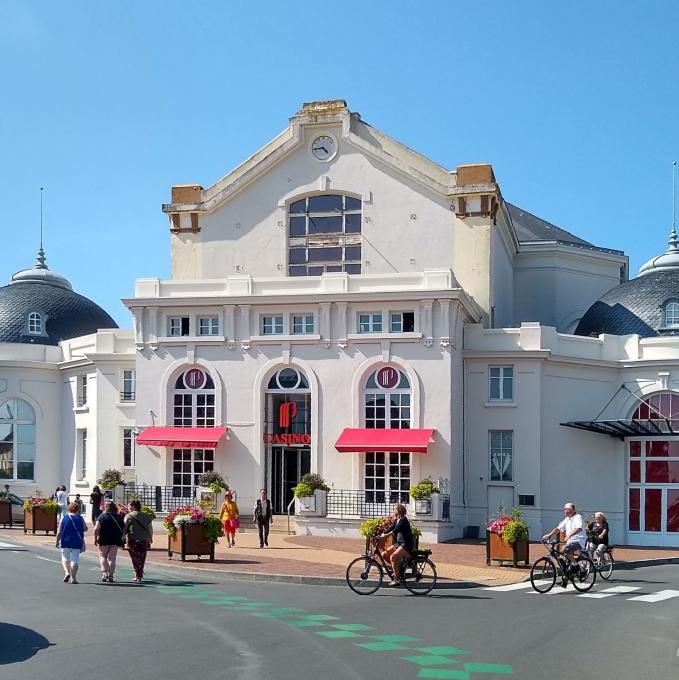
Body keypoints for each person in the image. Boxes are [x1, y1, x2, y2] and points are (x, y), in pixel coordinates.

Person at [543, 502, 587, 570]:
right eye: (564, 509)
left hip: (579, 540)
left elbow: (579, 528)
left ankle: (576, 566)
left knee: (565, 549)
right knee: (561, 554)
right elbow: (558, 528)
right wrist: (549, 535)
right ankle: (567, 572)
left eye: (567, 509)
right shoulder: (566, 519)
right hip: (570, 541)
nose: (565, 511)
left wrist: (570, 535)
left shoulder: (578, 517)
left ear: (572, 510)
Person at [379, 503, 415, 586]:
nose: (393, 511)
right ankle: (397, 571)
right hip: (398, 543)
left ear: (399, 511)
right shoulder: (397, 519)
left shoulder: (403, 520)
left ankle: (397, 579)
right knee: (384, 554)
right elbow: (391, 528)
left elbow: (395, 530)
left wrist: (386, 535)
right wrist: (381, 534)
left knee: (393, 557)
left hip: (406, 544)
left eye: (394, 509)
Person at [55, 501, 87, 584]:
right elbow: (85, 528)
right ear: (77, 509)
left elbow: (59, 531)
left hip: (65, 541)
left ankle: (67, 572)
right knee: (75, 560)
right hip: (77, 541)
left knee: (65, 558)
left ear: (69, 509)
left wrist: (57, 541)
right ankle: (73, 578)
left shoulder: (64, 518)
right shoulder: (80, 518)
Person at [123, 499, 153, 582]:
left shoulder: (128, 516)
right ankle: (140, 573)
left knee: (135, 557)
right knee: (142, 557)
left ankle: (138, 575)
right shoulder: (146, 516)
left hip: (133, 539)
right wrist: (150, 537)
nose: (128, 507)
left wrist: (123, 536)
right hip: (144, 539)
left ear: (133, 506)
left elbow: (124, 528)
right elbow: (150, 528)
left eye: (129, 506)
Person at [94, 501, 125, 582]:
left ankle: (104, 573)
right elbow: (124, 528)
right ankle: (111, 575)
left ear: (106, 507)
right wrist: (123, 536)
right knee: (112, 558)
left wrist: (95, 538)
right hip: (115, 539)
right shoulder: (118, 517)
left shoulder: (101, 516)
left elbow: (96, 528)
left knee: (103, 556)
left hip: (104, 539)